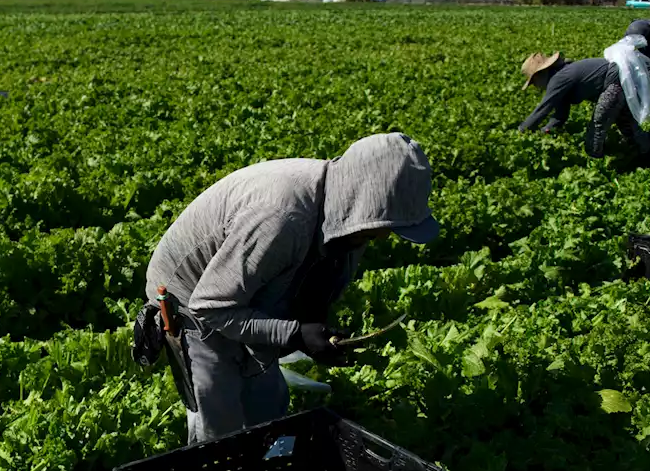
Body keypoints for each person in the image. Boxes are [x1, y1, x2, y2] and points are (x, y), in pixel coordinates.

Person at [143, 133, 440, 445]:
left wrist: (316, 328)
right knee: (219, 418)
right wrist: (295, 334)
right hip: (191, 299)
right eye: (384, 227)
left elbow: (322, 280)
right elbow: (211, 306)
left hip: (244, 285)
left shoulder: (353, 220)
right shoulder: (281, 217)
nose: (382, 237)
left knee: (267, 403)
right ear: (361, 202)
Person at [517, 51, 650, 159]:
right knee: (625, 121)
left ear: (541, 74)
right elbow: (560, 116)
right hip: (624, 80)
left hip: (617, 81)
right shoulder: (562, 76)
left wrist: (522, 131)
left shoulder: (559, 79)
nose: (536, 86)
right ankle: (648, 152)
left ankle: (595, 159)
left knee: (598, 124)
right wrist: (547, 129)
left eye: (534, 82)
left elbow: (543, 108)